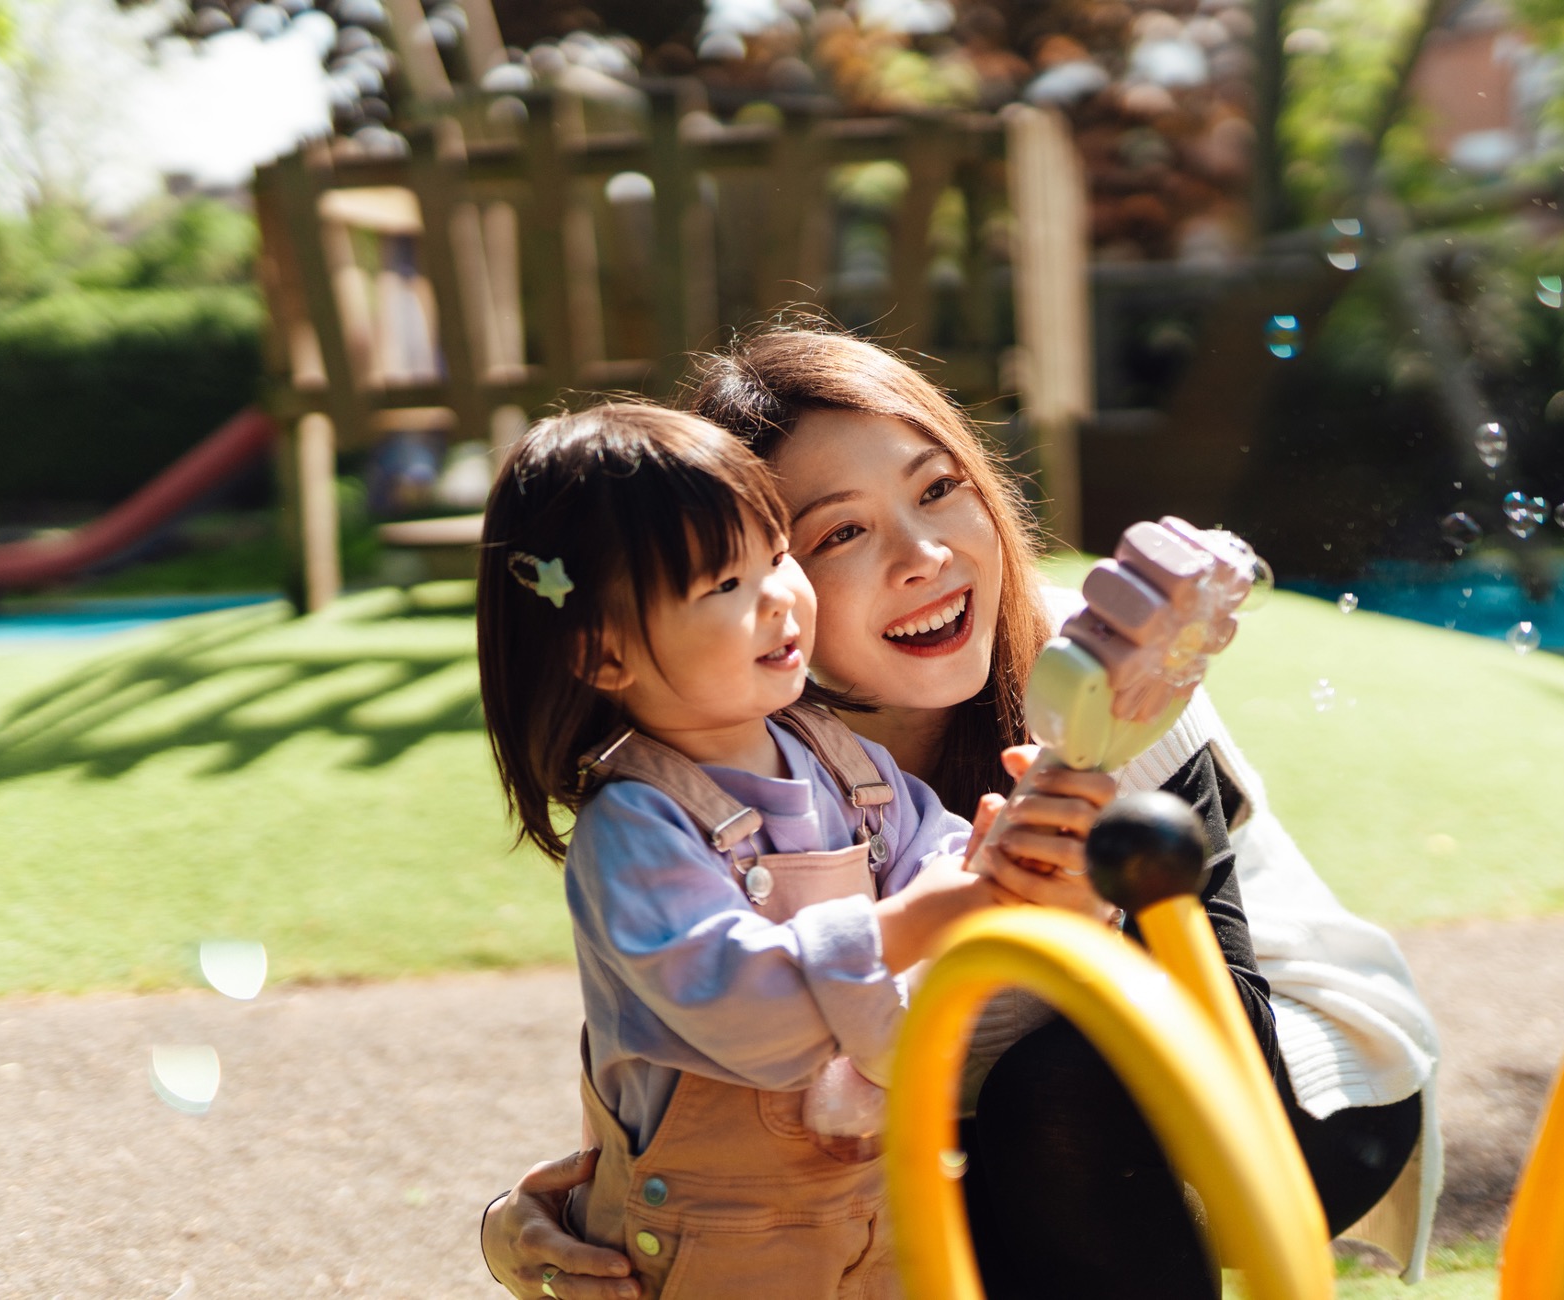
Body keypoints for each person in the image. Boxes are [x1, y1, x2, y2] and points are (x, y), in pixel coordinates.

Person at [483, 325, 1442, 1299]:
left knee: (1044, 1096)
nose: (925, 554)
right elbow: (710, 1035)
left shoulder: (1106, 669)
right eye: (838, 532)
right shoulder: (727, 744)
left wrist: (1090, 922)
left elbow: (1208, 1024)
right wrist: (557, 1206)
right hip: (964, 1109)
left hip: (1285, 1069)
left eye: (938, 487)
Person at [475, 402, 1113, 1300]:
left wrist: (1003, 858)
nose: (778, 596)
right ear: (603, 654)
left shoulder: (838, 761)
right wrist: (935, 912)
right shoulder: (637, 829)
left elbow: (933, 855)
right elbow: (743, 1009)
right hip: (715, 1234)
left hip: (882, 1194)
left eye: (776, 556)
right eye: (724, 586)